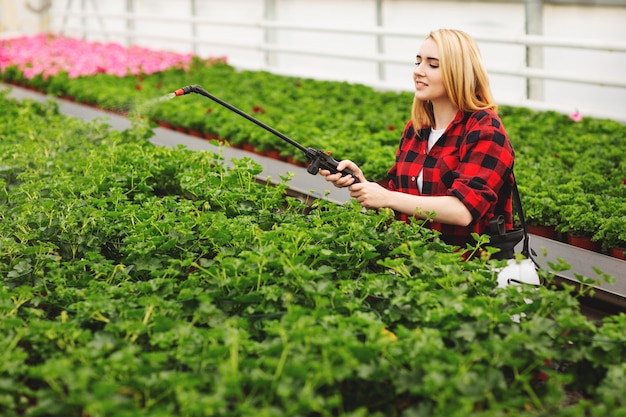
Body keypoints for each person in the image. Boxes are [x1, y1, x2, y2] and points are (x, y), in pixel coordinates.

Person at [319, 28, 515, 252]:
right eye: (418, 62)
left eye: (433, 64)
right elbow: (399, 205)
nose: (419, 71)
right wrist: (363, 185)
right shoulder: (416, 130)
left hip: (466, 270)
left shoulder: (484, 128)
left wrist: (387, 197)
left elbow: (462, 211)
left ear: (458, 72)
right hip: (410, 262)